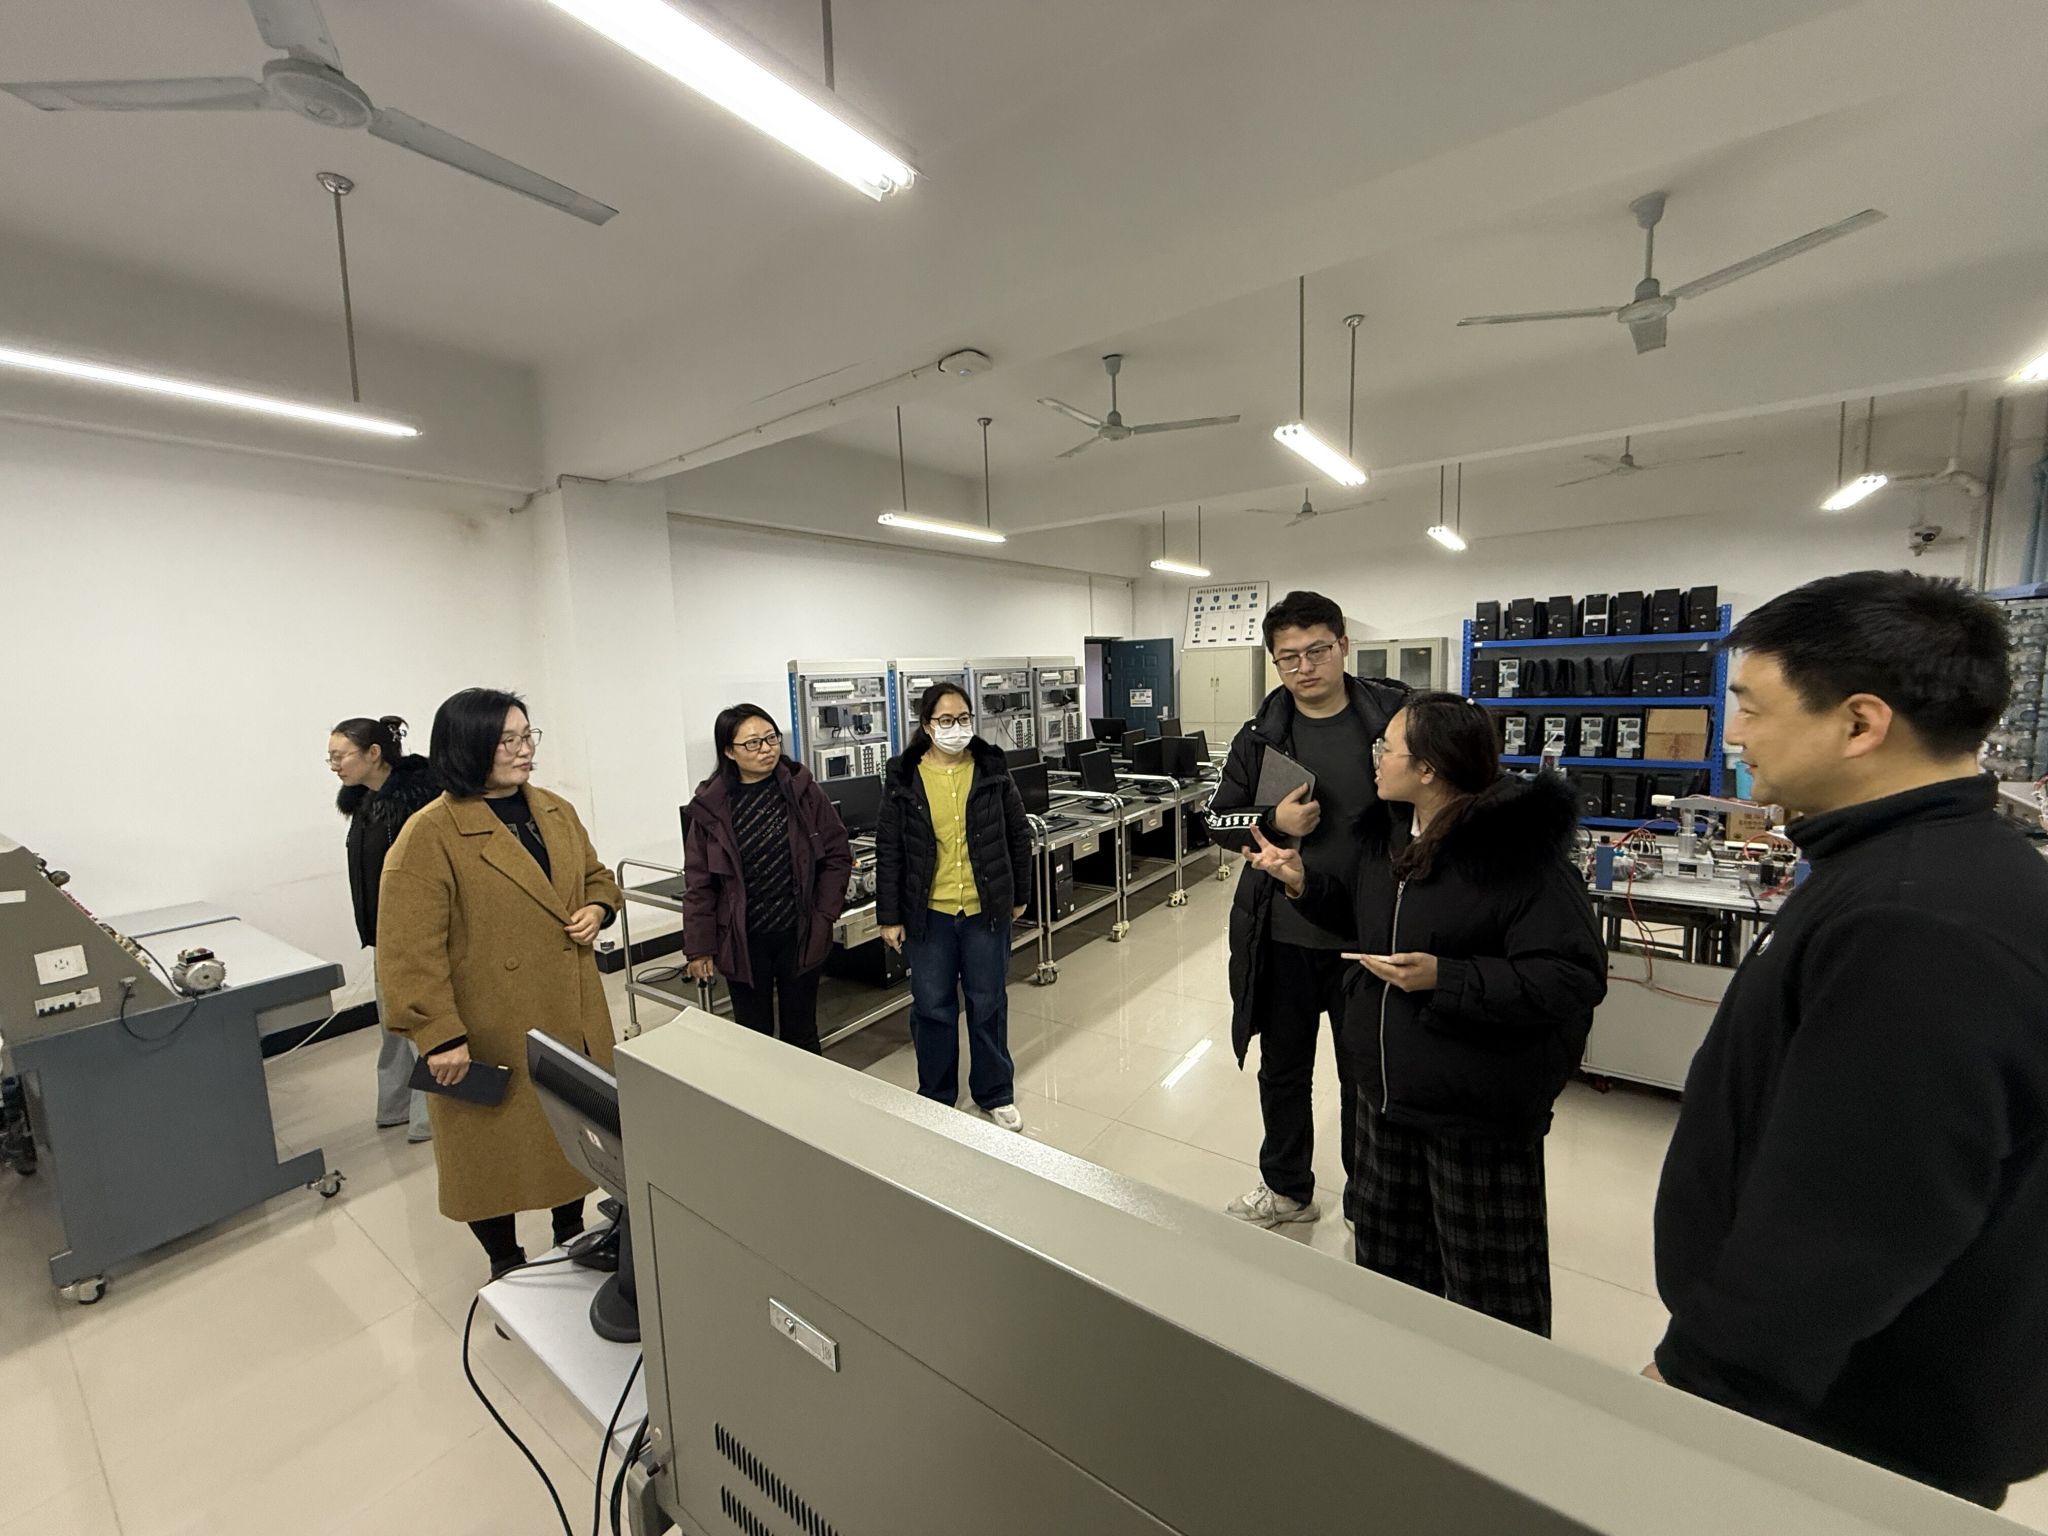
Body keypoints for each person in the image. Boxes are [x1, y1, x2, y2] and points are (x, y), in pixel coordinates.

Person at [1649, 570, 2048, 1509]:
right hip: (1853, 1393)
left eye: (1752, 706)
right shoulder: (1906, 867)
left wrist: (1705, 1381)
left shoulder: (1915, 918)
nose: (1734, 733)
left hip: (1850, 1420)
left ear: (1860, 723)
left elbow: (1857, 1216)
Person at [1245, 694, 1606, 1333]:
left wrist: (1448, 977)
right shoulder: (1388, 834)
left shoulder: (1519, 853)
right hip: (1386, 1097)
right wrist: (1299, 880)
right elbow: (1364, 919)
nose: (1375, 758)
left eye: (1388, 748)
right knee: (1389, 1278)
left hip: (1473, 1114)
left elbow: (1572, 976)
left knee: (1488, 1298)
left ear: (1430, 769)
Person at [377, 688, 622, 1279]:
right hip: (486, 1026)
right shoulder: (429, 834)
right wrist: (438, 1035)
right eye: (506, 740)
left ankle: (571, 1236)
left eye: (527, 735)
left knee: (571, 1133)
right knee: (488, 1153)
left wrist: (597, 907)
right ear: (467, 747)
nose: (523, 750)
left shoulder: (555, 811)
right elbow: (408, 951)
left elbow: (596, 876)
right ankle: (505, 1262)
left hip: (569, 1012)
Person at [1209, 589, 1407, 1228]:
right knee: (1284, 1070)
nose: (1304, 667)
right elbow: (1217, 821)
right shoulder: (1261, 736)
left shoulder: (1395, 722)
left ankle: (1366, 1195)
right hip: (1284, 934)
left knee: (1364, 1076)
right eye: (1288, 657)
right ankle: (1287, 1188)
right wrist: (1273, 820)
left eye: (1317, 650)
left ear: (1343, 646)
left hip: (1370, 934)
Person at [875, 683, 1033, 1132]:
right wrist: (889, 916)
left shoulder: (991, 769)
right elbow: (890, 848)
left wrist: (1019, 894)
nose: (956, 728)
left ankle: (995, 1092)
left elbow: (1017, 834)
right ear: (927, 726)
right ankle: (937, 1095)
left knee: (988, 1003)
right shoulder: (904, 777)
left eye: (963, 718)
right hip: (929, 915)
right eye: (945, 720)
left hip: (985, 910)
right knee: (932, 1007)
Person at [681, 704, 854, 1054]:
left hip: (799, 932)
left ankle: (804, 1091)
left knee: (801, 1032)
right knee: (753, 1037)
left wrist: (824, 915)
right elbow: (699, 883)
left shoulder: (803, 791)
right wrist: (699, 947)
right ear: (729, 752)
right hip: (743, 939)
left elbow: (837, 854)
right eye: (753, 743)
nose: (766, 749)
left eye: (771, 738)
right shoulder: (712, 807)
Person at [330, 714, 439, 1143]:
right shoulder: (364, 802)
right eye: (330, 758)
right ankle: (395, 1107)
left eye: (340, 756)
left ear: (373, 753)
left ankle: (431, 1118)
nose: (334, 765)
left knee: (418, 1025)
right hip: (382, 933)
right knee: (392, 1027)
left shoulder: (419, 805)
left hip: (414, 934)